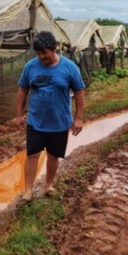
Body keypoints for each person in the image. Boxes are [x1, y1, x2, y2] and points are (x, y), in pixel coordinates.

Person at [15, 31, 85, 200]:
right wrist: (18, 115)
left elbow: (79, 93)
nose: (41, 57)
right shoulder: (30, 67)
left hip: (59, 122)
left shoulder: (69, 67)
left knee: (53, 155)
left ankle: (48, 185)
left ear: (54, 49)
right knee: (32, 155)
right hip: (36, 121)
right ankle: (28, 190)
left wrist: (79, 118)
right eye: (38, 53)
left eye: (44, 53)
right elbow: (22, 91)